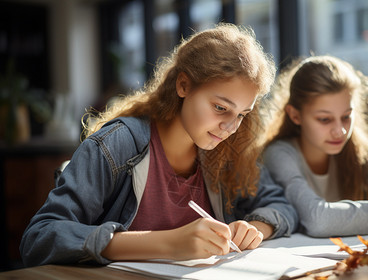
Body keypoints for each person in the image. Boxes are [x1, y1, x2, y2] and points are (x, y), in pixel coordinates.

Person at [20, 24, 298, 267]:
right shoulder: (116, 145)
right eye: (219, 107)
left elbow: (281, 205)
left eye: (241, 114)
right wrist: (167, 244)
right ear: (183, 86)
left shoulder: (229, 148)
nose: (231, 126)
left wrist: (255, 228)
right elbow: (40, 238)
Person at [263, 55, 368, 237]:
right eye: (324, 119)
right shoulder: (279, 154)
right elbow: (319, 220)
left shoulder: (359, 149)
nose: (340, 131)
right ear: (295, 115)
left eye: (346, 117)